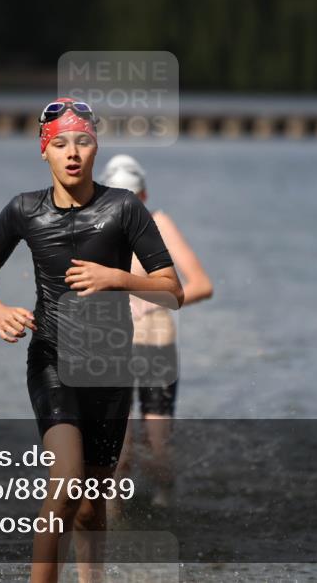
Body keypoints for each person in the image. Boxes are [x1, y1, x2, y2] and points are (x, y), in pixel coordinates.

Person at [0, 98, 184, 583]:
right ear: (44, 151)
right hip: (52, 360)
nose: (72, 153)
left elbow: (173, 290)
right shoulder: (23, 210)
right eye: (60, 144)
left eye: (82, 143)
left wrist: (116, 277)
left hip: (111, 370)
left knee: (91, 506)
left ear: (94, 149)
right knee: (64, 481)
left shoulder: (124, 209)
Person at [101, 156, 213, 511]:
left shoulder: (160, 225)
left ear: (145, 195)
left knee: (158, 445)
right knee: (118, 449)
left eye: (133, 197)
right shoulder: (95, 226)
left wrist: (140, 293)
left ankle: (166, 500)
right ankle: (112, 522)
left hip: (155, 346)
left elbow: (201, 285)